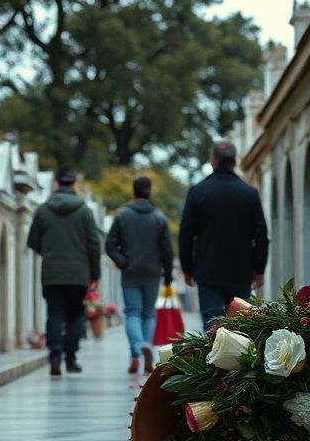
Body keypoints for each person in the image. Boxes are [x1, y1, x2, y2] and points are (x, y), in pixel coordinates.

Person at [178, 140, 269, 325]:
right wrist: (259, 269)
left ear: (213, 160)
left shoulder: (198, 192)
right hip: (241, 272)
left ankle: (215, 353)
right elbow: (260, 235)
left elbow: (186, 234)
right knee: (239, 325)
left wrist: (187, 268)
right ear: (235, 161)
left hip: (207, 270)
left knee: (213, 325)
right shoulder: (249, 193)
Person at [27, 166, 102, 377]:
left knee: (55, 313)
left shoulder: (43, 210)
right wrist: (94, 275)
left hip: (52, 273)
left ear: (56, 184)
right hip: (79, 274)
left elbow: (33, 240)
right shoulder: (84, 211)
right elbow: (94, 245)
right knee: (75, 315)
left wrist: (49, 252)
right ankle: (71, 359)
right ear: (75, 185)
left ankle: (55, 357)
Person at [105, 176, 174, 374]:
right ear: (149, 192)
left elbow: (110, 244)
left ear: (133, 192)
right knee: (148, 313)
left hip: (130, 272)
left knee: (132, 312)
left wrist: (123, 261)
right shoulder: (160, 218)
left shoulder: (122, 216)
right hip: (153, 272)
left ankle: (136, 351)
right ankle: (146, 348)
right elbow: (167, 250)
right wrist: (168, 275)